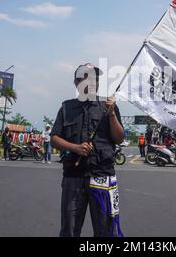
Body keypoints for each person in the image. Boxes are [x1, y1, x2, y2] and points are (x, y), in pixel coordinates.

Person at [51, 63, 125, 237]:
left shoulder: (108, 105)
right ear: (77, 82)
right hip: (73, 177)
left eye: (95, 78)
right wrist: (75, 148)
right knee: (69, 230)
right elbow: (54, 138)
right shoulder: (66, 108)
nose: (93, 82)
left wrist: (112, 114)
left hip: (102, 175)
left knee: (105, 230)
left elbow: (119, 138)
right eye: (87, 78)